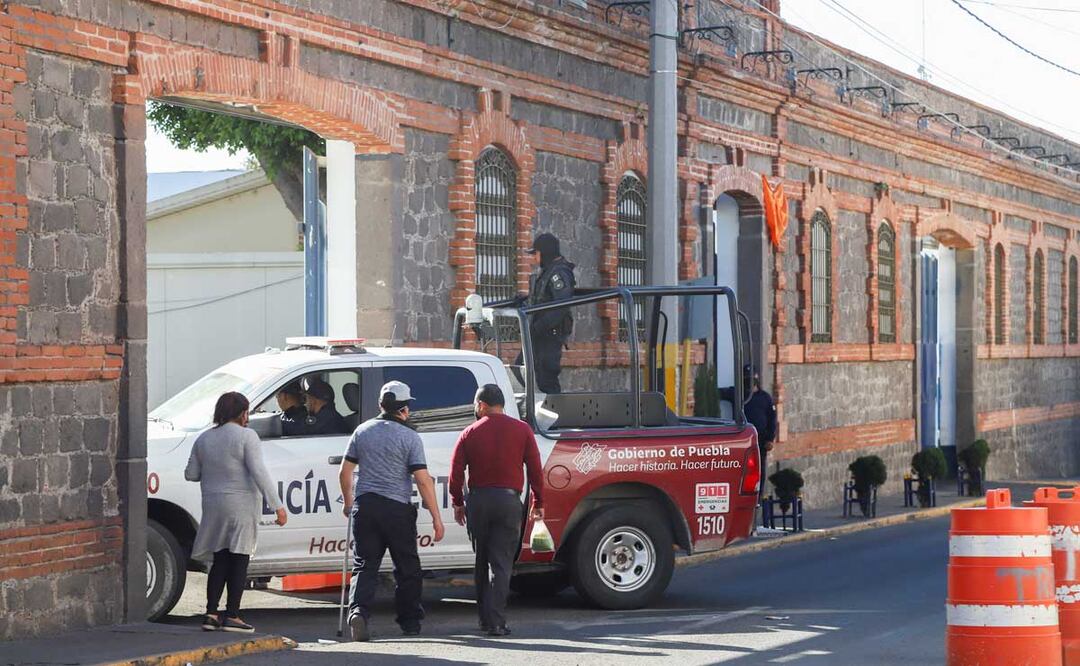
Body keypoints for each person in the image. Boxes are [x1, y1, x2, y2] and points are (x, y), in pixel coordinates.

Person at [337, 381, 445, 641]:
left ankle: (358, 613)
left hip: (366, 507)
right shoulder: (410, 437)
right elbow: (422, 479)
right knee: (407, 566)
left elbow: (345, 472)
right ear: (404, 409)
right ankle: (409, 622)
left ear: (380, 405)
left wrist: (349, 503)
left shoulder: (362, 431)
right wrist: (436, 518)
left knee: (364, 565)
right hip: (397, 509)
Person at [184, 391, 287, 633]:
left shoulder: (204, 439)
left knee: (220, 558)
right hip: (241, 506)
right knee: (239, 558)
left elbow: (191, 474)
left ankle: (211, 613)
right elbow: (259, 472)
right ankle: (233, 615)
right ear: (242, 413)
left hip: (213, 506)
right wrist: (278, 506)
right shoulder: (247, 436)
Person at [449, 384, 544, 636]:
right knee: (501, 563)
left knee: (481, 560)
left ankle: (483, 619)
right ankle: (497, 622)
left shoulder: (469, 433)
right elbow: (535, 470)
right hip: (508, 502)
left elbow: (455, 475)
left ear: (481, 405)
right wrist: (539, 502)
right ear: (501, 404)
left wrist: (458, 502)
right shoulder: (523, 430)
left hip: (479, 502)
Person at [527, 233, 576, 394]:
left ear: (545, 253)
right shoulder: (548, 271)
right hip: (538, 336)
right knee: (521, 371)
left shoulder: (558, 273)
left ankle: (555, 417)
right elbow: (542, 298)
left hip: (549, 337)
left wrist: (538, 327)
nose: (533, 258)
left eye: (536, 253)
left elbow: (561, 306)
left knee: (547, 379)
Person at [743, 371, 777, 499]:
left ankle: (758, 497)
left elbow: (772, 419)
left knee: (759, 468)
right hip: (744, 438)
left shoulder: (765, 397)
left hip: (761, 439)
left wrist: (770, 439)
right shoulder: (742, 396)